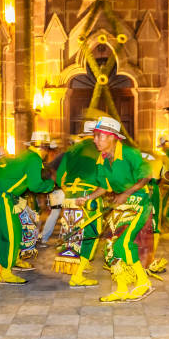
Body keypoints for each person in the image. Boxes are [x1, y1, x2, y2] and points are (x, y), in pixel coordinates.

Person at [76, 117, 153, 303]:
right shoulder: (102, 159)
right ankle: (121, 288)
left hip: (139, 201)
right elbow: (104, 187)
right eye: (95, 136)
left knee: (123, 243)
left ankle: (143, 282)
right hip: (121, 203)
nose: (95, 140)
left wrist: (126, 193)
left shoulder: (129, 154)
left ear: (112, 137)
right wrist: (88, 198)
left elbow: (146, 176)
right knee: (111, 247)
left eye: (99, 136)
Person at [0, 131, 55, 285]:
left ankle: (13, 260)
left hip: (8, 198)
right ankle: (5, 272)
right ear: (43, 147)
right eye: (47, 149)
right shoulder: (34, 159)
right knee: (10, 235)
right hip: (4, 198)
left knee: (15, 230)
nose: (47, 153)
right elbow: (35, 185)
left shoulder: (26, 155)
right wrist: (50, 186)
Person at [54, 120, 103, 287]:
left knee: (73, 234)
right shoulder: (99, 149)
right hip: (89, 198)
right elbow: (104, 175)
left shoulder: (71, 150)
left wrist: (69, 192)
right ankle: (78, 275)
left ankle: (79, 265)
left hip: (70, 199)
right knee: (90, 235)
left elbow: (61, 175)